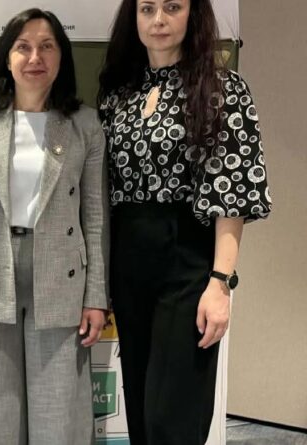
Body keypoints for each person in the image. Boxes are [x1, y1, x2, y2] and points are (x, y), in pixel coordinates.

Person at [98, 1, 272, 444]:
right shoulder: (119, 94)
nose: (158, 19)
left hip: (187, 261)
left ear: (193, 15)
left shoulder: (222, 89)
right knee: (141, 413)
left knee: (172, 419)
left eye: (172, 7)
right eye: (147, 9)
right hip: (128, 260)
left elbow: (232, 194)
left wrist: (220, 283)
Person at [0, 8, 109, 445]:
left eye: (47, 46)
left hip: (61, 275)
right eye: (24, 47)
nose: (36, 57)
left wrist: (96, 298)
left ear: (61, 57)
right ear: (8, 57)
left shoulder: (84, 125)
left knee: (60, 410)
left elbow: (94, 218)